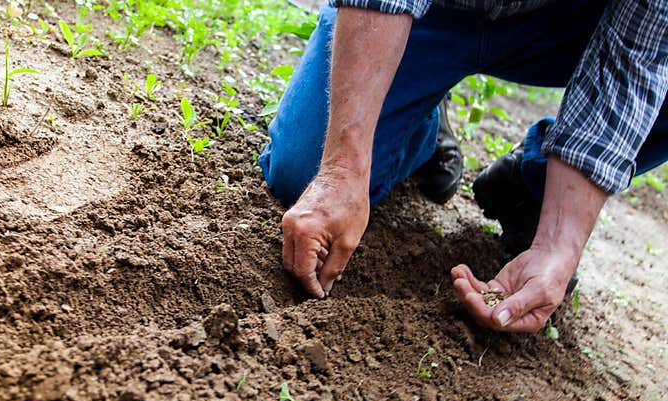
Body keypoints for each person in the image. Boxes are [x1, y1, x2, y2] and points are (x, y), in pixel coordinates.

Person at [259, 0, 668, 332]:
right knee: (304, 172)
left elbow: (638, 57)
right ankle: (421, 120)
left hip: (565, 24)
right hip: (431, 12)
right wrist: (342, 170)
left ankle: (534, 189)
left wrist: (558, 245)